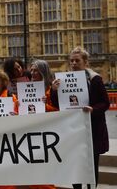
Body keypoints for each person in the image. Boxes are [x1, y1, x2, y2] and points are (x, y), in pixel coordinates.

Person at [51, 47, 109, 189]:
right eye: (71, 61)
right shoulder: (63, 81)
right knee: (74, 164)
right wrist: (53, 91)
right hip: (73, 129)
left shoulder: (95, 79)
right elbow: (57, 104)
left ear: (86, 62)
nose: (74, 63)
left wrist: (93, 109)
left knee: (92, 164)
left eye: (77, 60)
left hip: (92, 128)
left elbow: (105, 103)